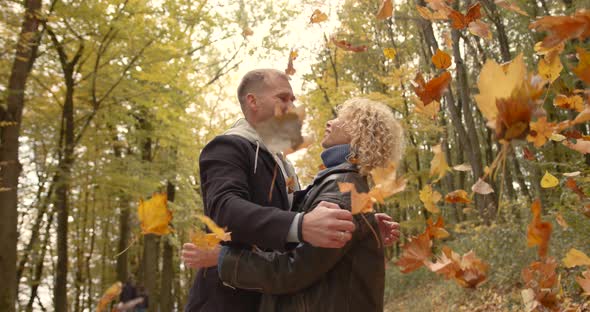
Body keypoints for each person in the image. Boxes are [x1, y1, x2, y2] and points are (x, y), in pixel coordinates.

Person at [184, 69, 362, 312]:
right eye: (282, 98)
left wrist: (362, 222)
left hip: (269, 297)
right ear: (252, 101)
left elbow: (288, 205)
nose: (291, 106)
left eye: (293, 100)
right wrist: (300, 225)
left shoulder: (277, 158)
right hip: (227, 301)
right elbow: (223, 209)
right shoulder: (227, 146)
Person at [216, 98, 405, 311]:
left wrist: (225, 260)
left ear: (362, 134)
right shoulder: (340, 185)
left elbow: (291, 270)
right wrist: (366, 225)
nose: (330, 122)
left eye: (343, 120)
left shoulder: (342, 188)